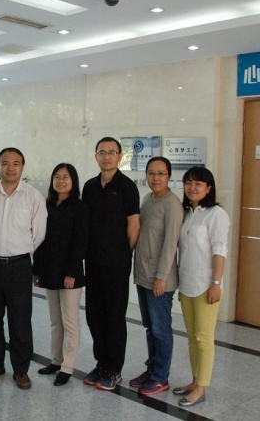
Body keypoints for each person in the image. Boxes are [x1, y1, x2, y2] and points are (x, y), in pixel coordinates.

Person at [0, 147, 47, 390]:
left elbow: (38, 234)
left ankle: (21, 370)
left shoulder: (33, 196)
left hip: (19, 266)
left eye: (16, 163)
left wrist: (20, 251)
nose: (10, 168)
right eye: (5, 163)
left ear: (22, 167)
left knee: (20, 320)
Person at [81, 136, 140, 391]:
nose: (107, 156)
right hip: (93, 263)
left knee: (114, 318)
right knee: (95, 316)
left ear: (120, 156)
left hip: (117, 265)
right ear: (96, 156)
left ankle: (114, 369)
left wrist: (124, 255)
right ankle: (101, 364)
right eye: (102, 152)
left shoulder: (127, 187)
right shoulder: (89, 187)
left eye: (112, 152)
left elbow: (134, 225)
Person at [174, 166, 230, 407]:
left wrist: (216, 283)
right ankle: (194, 380)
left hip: (206, 284)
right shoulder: (186, 213)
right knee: (192, 337)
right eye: (188, 183)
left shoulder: (216, 214)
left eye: (198, 183)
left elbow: (220, 250)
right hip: (186, 283)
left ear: (208, 188)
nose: (192, 187)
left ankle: (201, 388)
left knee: (204, 337)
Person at [130, 156, 183, 396]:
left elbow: (171, 244)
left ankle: (161, 377)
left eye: (161, 173)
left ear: (169, 176)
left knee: (161, 329)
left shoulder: (172, 204)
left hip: (160, 279)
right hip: (144, 275)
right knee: (150, 327)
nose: (155, 178)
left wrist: (161, 276)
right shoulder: (147, 199)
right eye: (151, 173)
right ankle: (151, 370)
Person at [32, 163, 88, 387]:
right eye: (57, 177)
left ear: (73, 181)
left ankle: (68, 366)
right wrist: (37, 270)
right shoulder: (47, 205)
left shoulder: (79, 207)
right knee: (55, 321)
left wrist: (72, 272)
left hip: (69, 273)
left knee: (70, 321)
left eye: (65, 177)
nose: (61, 181)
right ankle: (56, 360)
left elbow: (81, 242)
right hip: (49, 270)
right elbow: (39, 239)